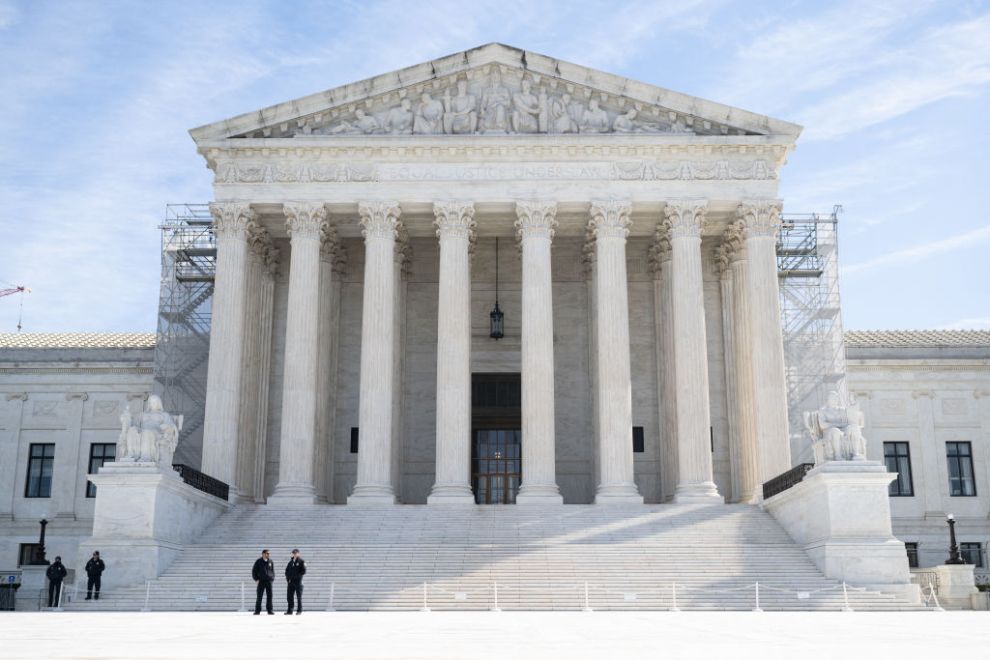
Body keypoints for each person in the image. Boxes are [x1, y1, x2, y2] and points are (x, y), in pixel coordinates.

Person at [252, 549, 275, 615]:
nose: (268, 555)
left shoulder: (270, 561)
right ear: (263, 554)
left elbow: (272, 571)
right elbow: (254, 571)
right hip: (261, 581)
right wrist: (256, 579)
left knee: (269, 596)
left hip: (269, 581)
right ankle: (257, 611)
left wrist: (272, 578)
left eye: (269, 553)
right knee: (259, 596)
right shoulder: (258, 561)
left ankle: (270, 610)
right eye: (267, 553)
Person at [284, 549, 307, 615]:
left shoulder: (301, 561)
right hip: (291, 582)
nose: (294, 554)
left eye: (295, 553)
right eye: (293, 553)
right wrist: (288, 579)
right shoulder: (290, 562)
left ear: (298, 554)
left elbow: (303, 571)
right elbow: (286, 571)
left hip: (298, 582)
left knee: (299, 597)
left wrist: (297, 576)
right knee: (289, 596)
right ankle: (290, 610)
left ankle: (299, 611)